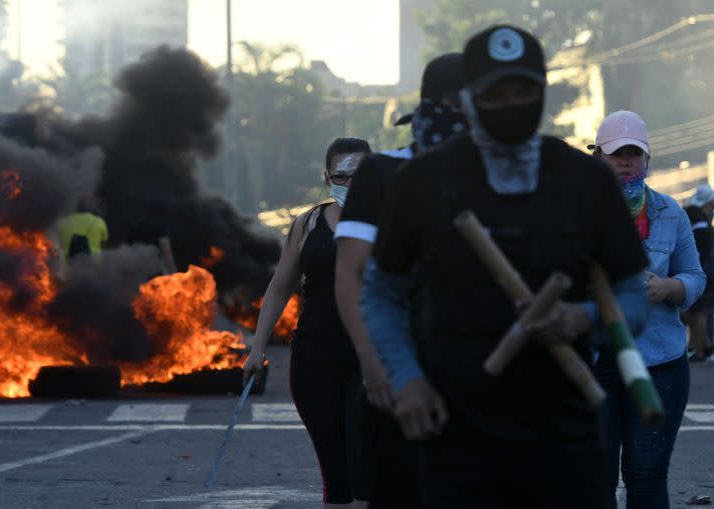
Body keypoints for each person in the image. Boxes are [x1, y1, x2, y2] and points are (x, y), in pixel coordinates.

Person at [361, 25, 650, 509]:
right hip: (455, 431)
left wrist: (585, 318)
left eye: (523, 90)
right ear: (469, 99)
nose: (510, 102)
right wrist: (406, 378)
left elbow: (632, 298)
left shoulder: (587, 182)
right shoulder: (423, 182)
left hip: (566, 431)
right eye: (495, 92)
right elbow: (380, 293)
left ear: (543, 93)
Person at [334, 52, 466, 508]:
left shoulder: (502, 172)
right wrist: (371, 360)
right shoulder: (382, 172)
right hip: (397, 367)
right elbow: (350, 273)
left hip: (479, 375)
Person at [243, 137, 372, 508]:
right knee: (335, 471)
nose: (351, 184)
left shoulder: (391, 221)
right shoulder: (308, 222)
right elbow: (280, 287)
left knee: (363, 461)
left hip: (371, 357)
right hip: (314, 357)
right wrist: (256, 348)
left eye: (361, 175)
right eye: (342, 176)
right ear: (327, 177)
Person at [590, 110, 706, 509]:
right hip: (594, 363)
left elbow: (695, 276)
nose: (625, 161)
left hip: (660, 363)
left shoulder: (669, 213)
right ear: (598, 158)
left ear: (647, 160)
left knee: (646, 476)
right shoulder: (576, 212)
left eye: (633, 153)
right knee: (593, 479)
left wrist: (669, 287)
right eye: (616, 153)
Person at [682, 203, 714, 361]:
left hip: (704, 278)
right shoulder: (710, 231)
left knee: (697, 314)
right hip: (711, 278)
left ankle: (700, 352)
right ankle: (704, 346)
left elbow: (695, 258)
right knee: (701, 314)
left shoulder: (697, 234)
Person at [56, 196, 109, 272]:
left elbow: (57, 243)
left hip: (67, 265)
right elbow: (104, 246)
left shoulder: (64, 221)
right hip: (93, 265)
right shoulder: (99, 222)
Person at [126, 199, 178, 274]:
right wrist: (173, 270)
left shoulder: (136, 227)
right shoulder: (161, 226)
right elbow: (166, 249)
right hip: (154, 269)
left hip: (136, 269)